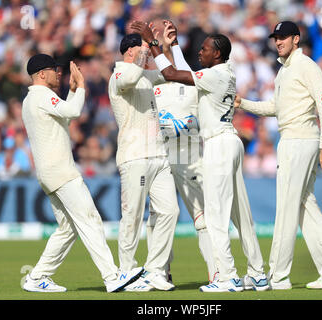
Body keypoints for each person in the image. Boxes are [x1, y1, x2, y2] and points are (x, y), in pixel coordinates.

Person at [131, 21, 269, 292]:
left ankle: (226, 276)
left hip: (216, 144)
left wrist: (155, 43)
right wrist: (175, 45)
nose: (200, 53)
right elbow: (186, 72)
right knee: (241, 213)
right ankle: (258, 273)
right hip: (229, 140)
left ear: (216, 54)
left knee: (215, 216)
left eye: (205, 49)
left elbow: (173, 73)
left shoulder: (214, 75)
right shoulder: (224, 72)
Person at [234, 21, 322, 290]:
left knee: (286, 207)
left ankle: (277, 275)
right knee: (304, 206)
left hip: (299, 140)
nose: (279, 42)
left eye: (284, 37)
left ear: (296, 39)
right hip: (293, 139)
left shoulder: (305, 65)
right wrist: (244, 103)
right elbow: (276, 107)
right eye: (276, 37)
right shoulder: (284, 70)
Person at [21, 53, 142, 293]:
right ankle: (112, 276)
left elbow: (64, 118)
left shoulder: (31, 99)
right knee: (90, 220)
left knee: (68, 228)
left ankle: (37, 277)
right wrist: (83, 87)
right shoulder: (42, 95)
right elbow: (75, 112)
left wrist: (74, 91)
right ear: (41, 74)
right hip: (61, 172)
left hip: (48, 173)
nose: (60, 73)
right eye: (55, 70)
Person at [147, 20, 219, 284]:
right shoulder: (151, 85)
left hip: (188, 157)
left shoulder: (189, 82)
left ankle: (217, 273)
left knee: (202, 220)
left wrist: (170, 45)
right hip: (160, 157)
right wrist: (153, 45)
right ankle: (159, 273)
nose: (165, 61)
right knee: (159, 219)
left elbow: (184, 73)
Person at [108, 34, 180, 291]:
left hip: (159, 156)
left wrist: (164, 46)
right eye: (142, 47)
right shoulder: (118, 75)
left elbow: (169, 73)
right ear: (130, 51)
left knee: (170, 211)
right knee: (133, 215)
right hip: (134, 156)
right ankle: (126, 271)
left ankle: (154, 270)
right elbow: (129, 78)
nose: (147, 51)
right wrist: (146, 50)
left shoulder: (145, 76)